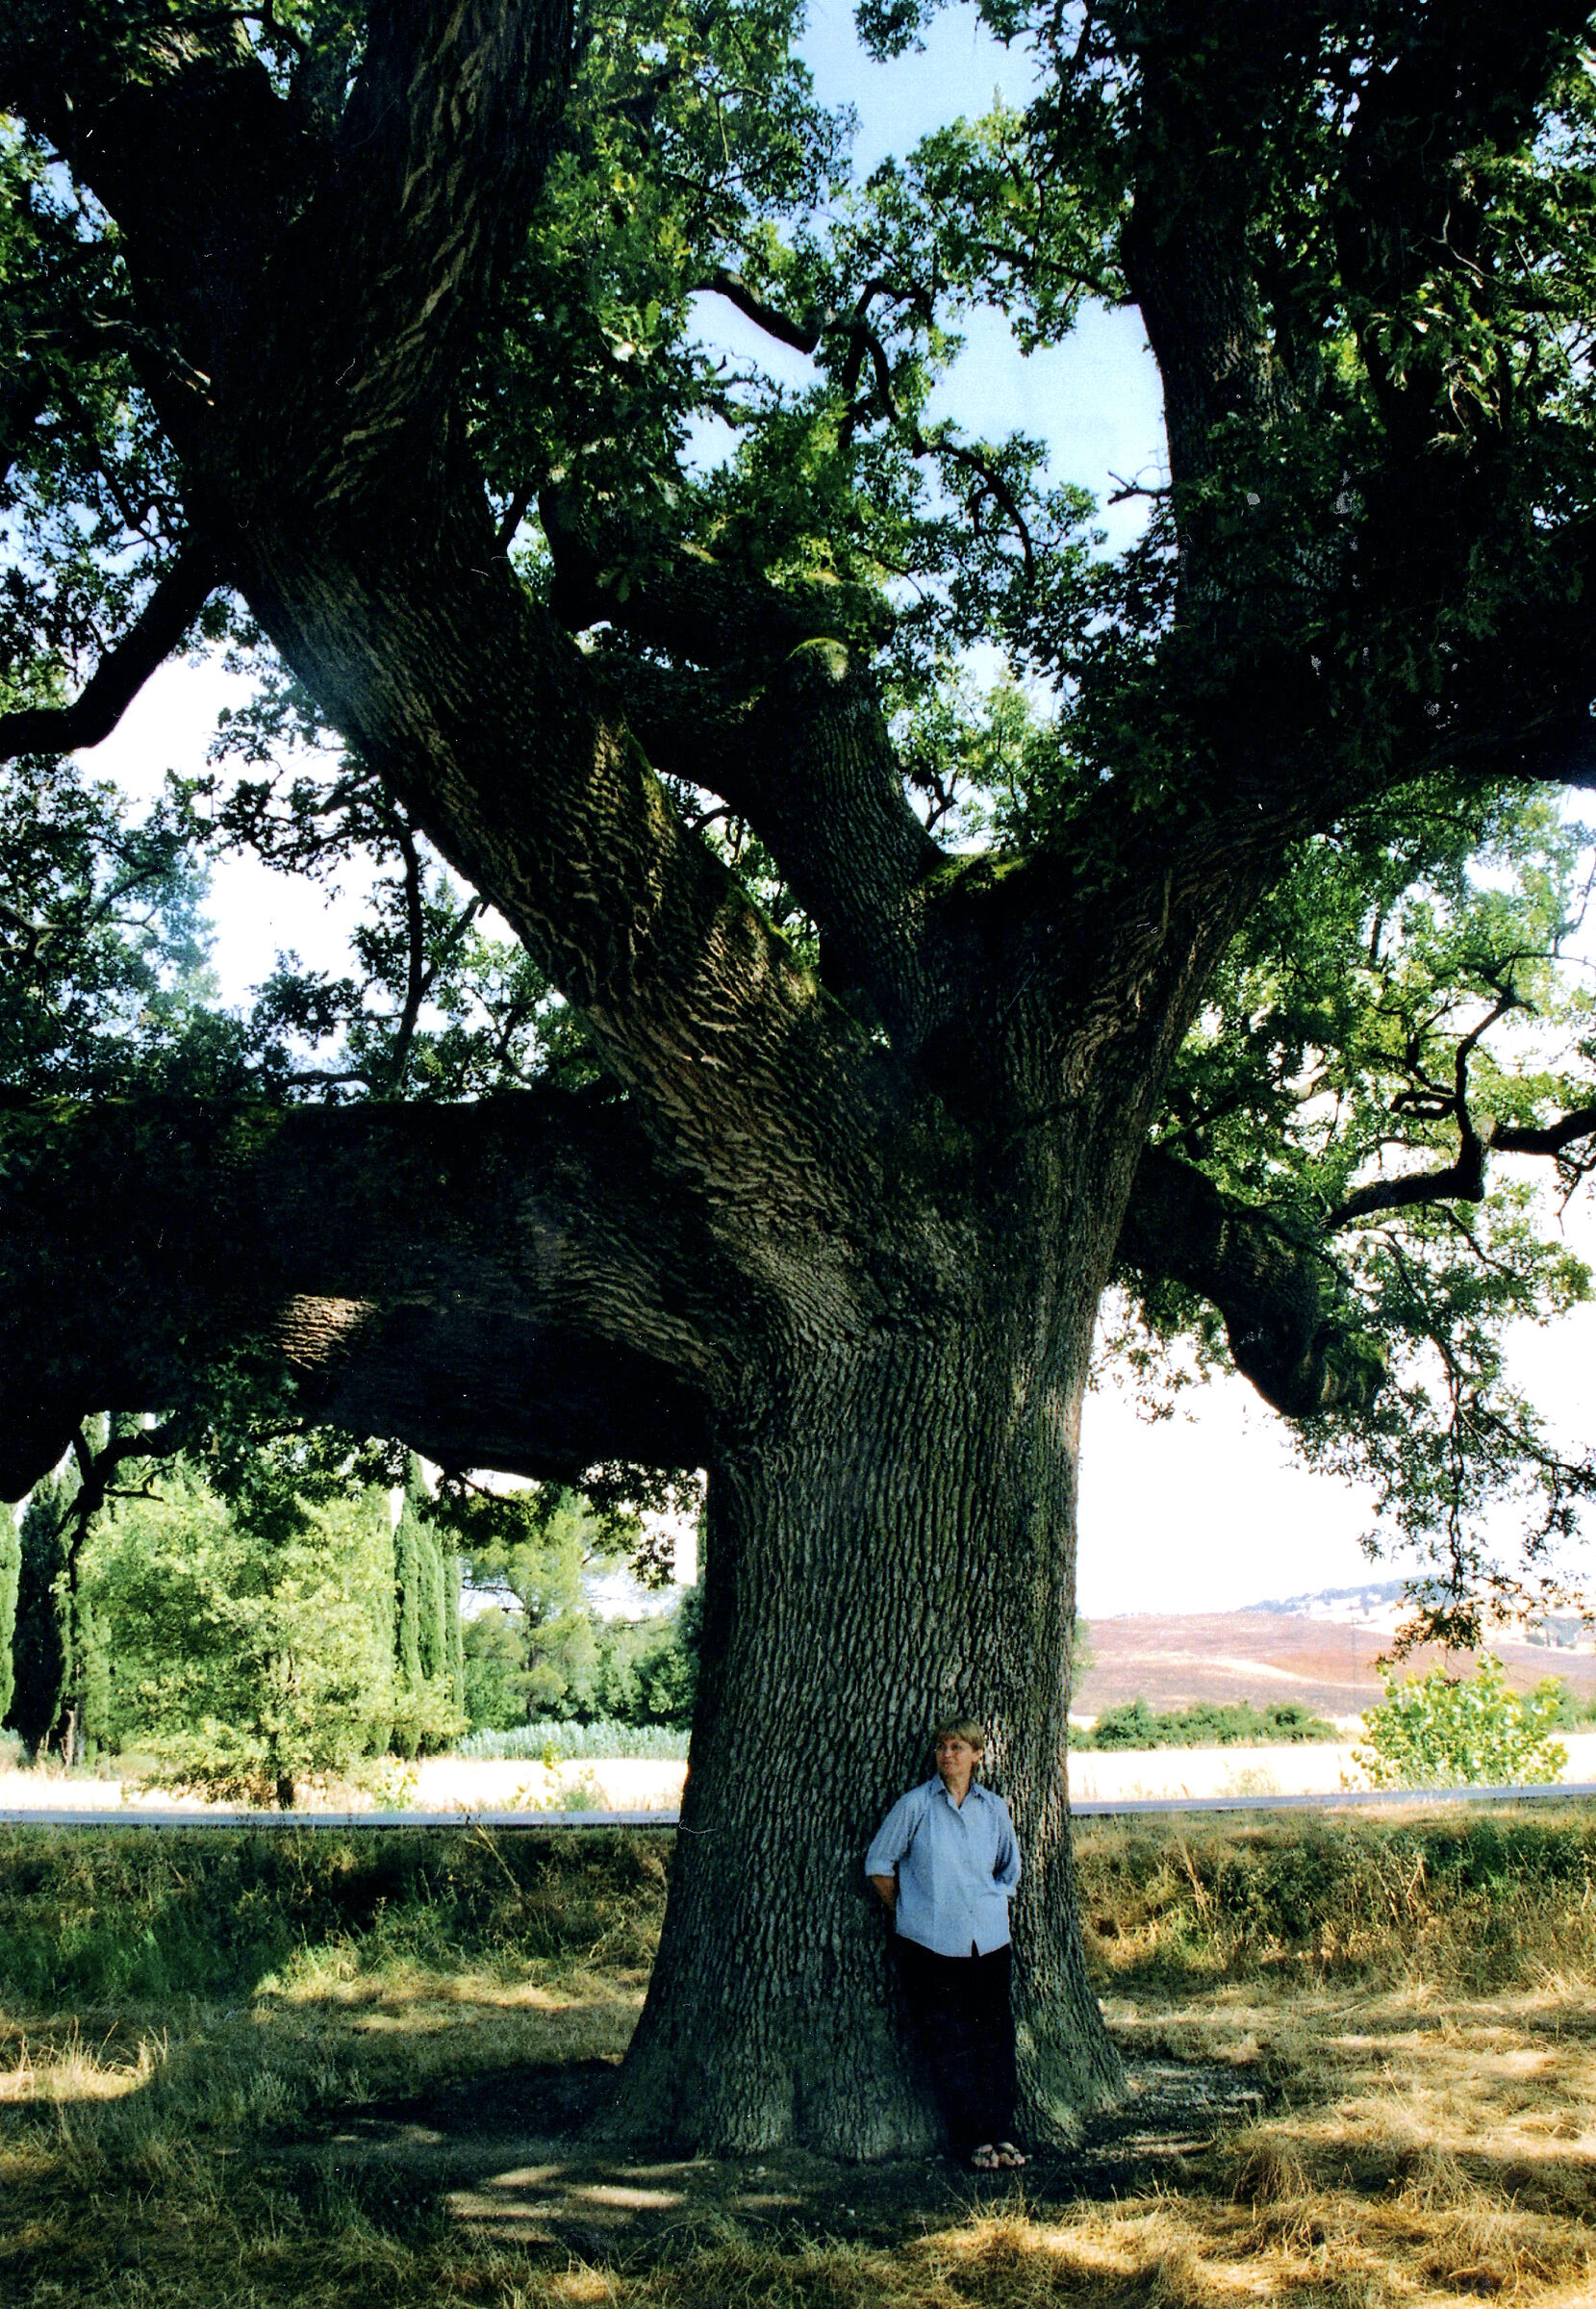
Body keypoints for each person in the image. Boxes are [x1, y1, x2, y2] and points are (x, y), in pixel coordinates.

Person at [865, 1717, 1026, 2171]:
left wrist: (987, 1903)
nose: (947, 1754)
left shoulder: (993, 1808)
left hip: (989, 1942)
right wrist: (913, 1911)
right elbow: (879, 1865)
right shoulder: (915, 1806)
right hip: (931, 1947)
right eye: (941, 1746)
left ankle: (1002, 2134)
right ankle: (972, 2139)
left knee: (995, 2038)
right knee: (949, 2041)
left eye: (958, 1746)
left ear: (977, 1755)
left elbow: (1008, 1870)